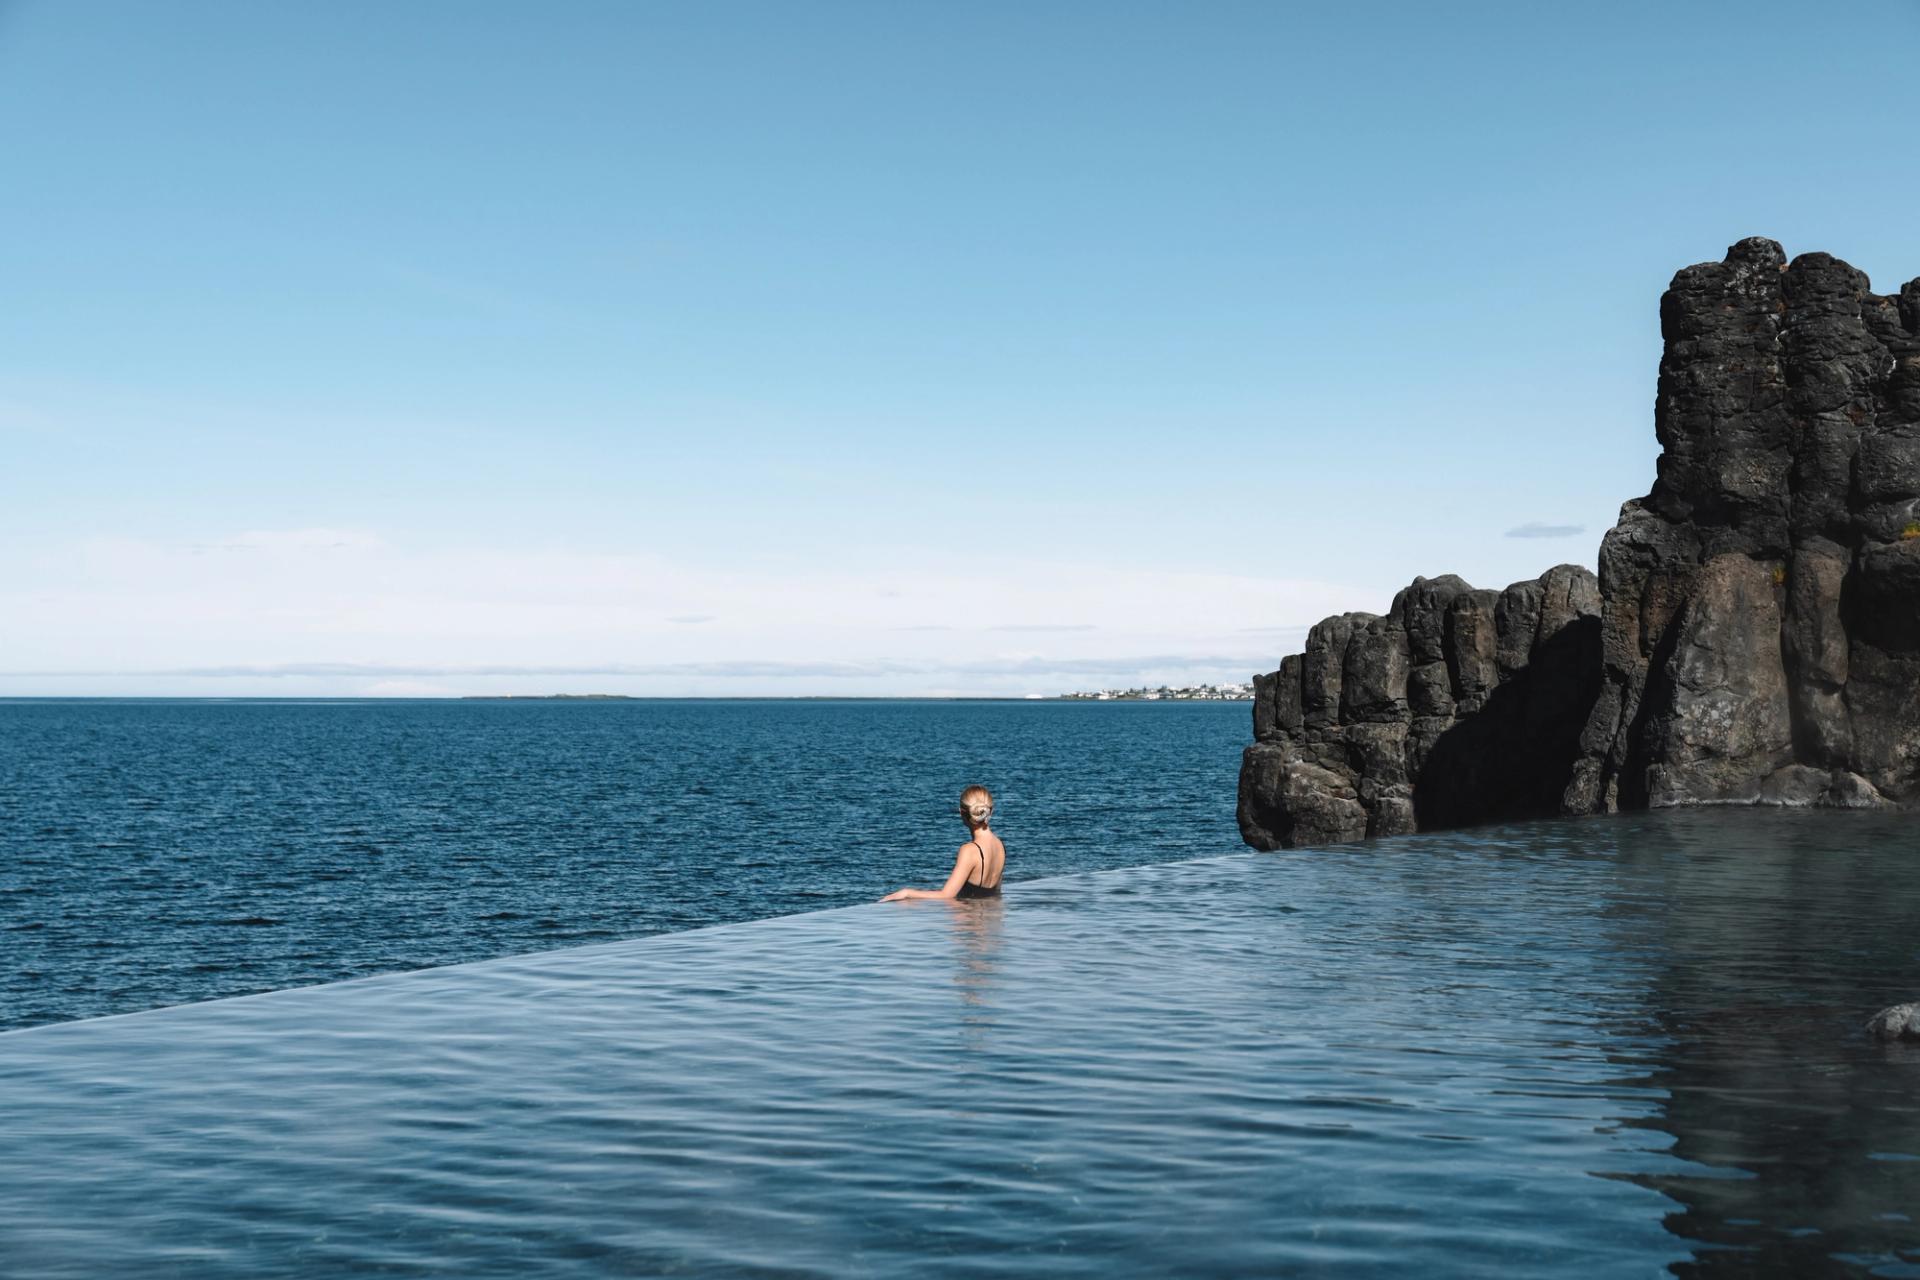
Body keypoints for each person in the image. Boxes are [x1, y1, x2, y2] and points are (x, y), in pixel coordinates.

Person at [879, 785, 1004, 902]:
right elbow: (996, 893)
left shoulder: (969, 850)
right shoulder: (999, 845)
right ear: (990, 811)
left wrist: (907, 893)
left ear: (961, 813)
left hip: (970, 922)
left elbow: (946, 895)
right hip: (988, 921)